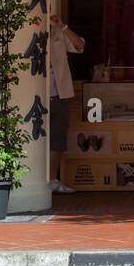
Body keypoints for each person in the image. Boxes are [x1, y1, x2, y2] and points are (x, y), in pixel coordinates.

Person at [47, 13, 85, 195]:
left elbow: (80, 46)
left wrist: (62, 26)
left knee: (57, 141)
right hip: (36, 96)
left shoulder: (58, 32)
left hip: (59, 95)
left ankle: (52, 180)